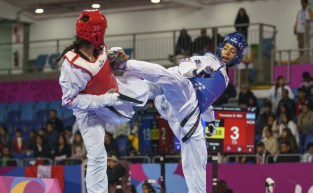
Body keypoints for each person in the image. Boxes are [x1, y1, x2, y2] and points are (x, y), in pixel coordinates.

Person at [109, 32, 247, 193]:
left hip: (183, 112)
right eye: (226, 48)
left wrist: (210, 120)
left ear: (237, 56)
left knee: (199, 154)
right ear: (221, 47)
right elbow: (185, 66)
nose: (227, 53)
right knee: (167, 80)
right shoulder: (210, 59)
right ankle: (122, 67)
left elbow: (207, 102)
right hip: (182, 98)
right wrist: (197, 72)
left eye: (232, 51)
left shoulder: (224, 77)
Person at [57, 9, 149, 193]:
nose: (102, 35)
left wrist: (114, 59)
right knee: (98, 156)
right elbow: (68, 100)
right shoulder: (72, 65)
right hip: (88, 111)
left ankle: (178, 82)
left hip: (111, 94)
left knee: (147, 87)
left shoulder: (99, 47)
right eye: (100, 31)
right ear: (93, 32)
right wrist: (103, 100)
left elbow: (102, 70)